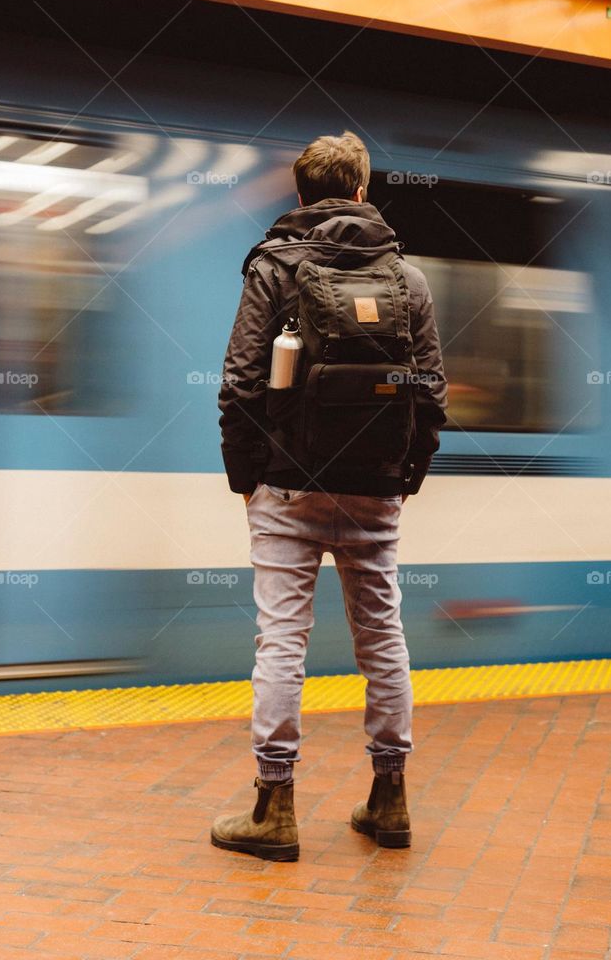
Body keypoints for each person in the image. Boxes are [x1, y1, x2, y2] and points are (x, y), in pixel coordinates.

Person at [212, 130, 447, 861]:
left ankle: (274, 808)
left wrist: (246, 475)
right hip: (374, 489)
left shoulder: (275, 266)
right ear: (359, 192)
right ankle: (390, 798)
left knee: (281, 640)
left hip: (287, 486)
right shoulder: (407, 280)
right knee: (382, 638)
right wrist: (402, 478)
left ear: (302, 194)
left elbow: (240, 384)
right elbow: (430, 394)